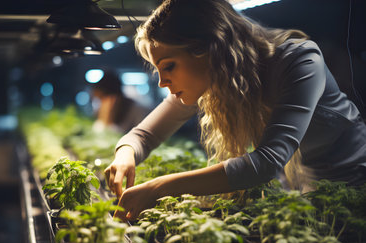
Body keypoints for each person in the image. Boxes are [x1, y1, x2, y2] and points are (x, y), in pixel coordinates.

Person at [104, 0, 366, 221]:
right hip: (302, 195)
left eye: (169, 66)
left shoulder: (299, 60)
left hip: (355, 190)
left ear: (208, 50)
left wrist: (159, 187)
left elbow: (266, 162)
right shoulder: (213, 80)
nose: (162, 82)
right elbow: (143, 136)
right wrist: (125, 155)